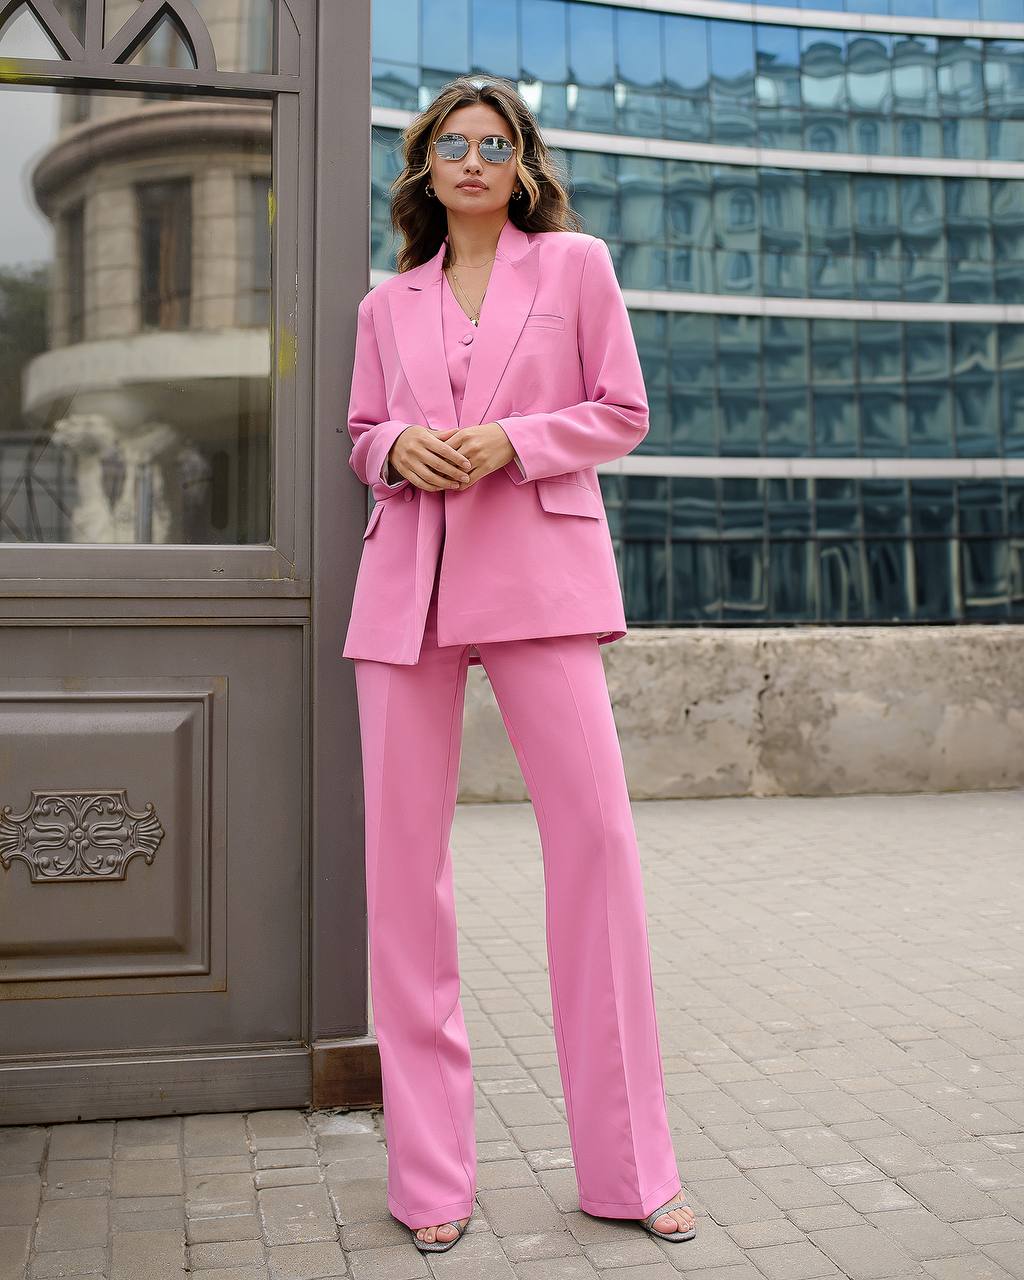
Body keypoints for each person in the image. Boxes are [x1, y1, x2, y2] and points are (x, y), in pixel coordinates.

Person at [341, 76, 697, 1255]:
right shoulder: (386, 303)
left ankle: (631, 1168)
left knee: (594, 852)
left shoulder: (576, 265)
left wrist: (509, 440)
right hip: (405, 595)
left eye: (496, 144)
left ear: (522, 161)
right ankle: (429, 1176)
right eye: (456, 144)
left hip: (541, 579)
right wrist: (400, 447)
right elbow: (358, 436)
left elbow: (622, 409)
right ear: (428, 166)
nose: (476, 160)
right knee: (403, 886)